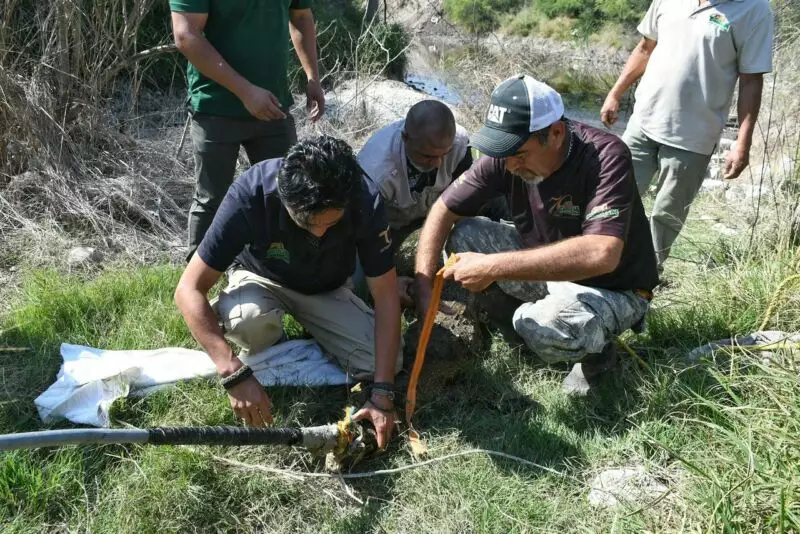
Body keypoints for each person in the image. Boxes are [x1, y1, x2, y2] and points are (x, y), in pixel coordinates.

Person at [413, 75, 660, 396]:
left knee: (549, 323)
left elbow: (603, 253)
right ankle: (517, 335)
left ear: (555, 134)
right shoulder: (507, 156)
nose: (509, 165)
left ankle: (597, 354)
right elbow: (443, 209)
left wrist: (492, 267)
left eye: (519, 154)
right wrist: (423, 285)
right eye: (503, 152)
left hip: (613, 288)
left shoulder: (605, 157)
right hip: (546, 268)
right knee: (466, 234)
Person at [174, 136, 402, 448]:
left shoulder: (364, 198)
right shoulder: (253, 191)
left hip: (326, 287)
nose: (318, 233)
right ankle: (267, 333)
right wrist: (231, 371)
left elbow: (386, 294)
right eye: (307, 223)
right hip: (260, 277)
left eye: (330, 223)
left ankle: (302, 338)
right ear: (284, 199)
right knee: (248, 322)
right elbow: (188, 288)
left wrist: (383, 393)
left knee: (385, 361)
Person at [601, 0, 773, 268]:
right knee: (614, 197)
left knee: (666, 215)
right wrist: (615, 93)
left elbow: (751, 80)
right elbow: (645, 48)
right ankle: (599, 261)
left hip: (693, 138)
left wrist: (743, 142)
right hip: (643, 122)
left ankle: (646, 276)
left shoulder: (754, 9)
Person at [170, 0, 325, 258]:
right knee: (212, 200)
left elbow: (300, 16)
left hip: (274, 106)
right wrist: (246, 92)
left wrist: (313, 78)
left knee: (286, 193)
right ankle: (197, 278)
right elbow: (186, 35)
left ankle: (279, 270)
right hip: (215, 106)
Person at [358, 100, 473, 230]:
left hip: (435, 213)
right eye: (427, 156)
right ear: (405, 138)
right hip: (390, 226)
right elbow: (368, 228)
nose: (438, 163)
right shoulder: (376, 173)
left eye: (445, 154)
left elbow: (462, 197)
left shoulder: (460, 144)